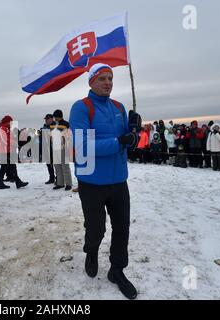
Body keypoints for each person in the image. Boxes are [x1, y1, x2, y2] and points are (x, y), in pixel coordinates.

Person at [69, 63, 140, 300]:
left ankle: (117, 270)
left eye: (110, 78)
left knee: (122, 228)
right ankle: (91, 251)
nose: (108, 82)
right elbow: (82, 148)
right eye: (102, 79)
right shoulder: (82, 108)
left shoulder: (119, 106)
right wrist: (120, 141)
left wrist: (134, 133)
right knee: (96, 228)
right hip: (91, 180)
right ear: (91, 82)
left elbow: (127, 142)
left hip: (119, 179)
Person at [0, 115, 29, 189]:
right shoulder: (3, 128)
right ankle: (1, 183)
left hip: (8, 150)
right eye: (10, 122)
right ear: (7, 122)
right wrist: (14, 143)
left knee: (10, 167)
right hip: (5, 151)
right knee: (5, 167)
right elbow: (5, 140)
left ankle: (16, 182)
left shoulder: (6, 128)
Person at [51, 109, 73, 191]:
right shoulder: (54, 125)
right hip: (55, 147)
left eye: (55, 116)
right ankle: (60, 183)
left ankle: (68, 183)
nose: (54, 118)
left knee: (65, 166)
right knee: (57, 166)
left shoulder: (66, 124)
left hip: (63, 147)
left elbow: (68, 135)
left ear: (58, 116)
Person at [41, 114, 56, 184]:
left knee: (57, 165)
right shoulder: (44, 127)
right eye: (45, 119)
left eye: (47, 119)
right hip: (46, 148)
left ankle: (59, 178)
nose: (46, 120)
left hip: (54, 148)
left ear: (51, 119)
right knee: (49, 164)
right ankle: (52, 178)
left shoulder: (55, 126)